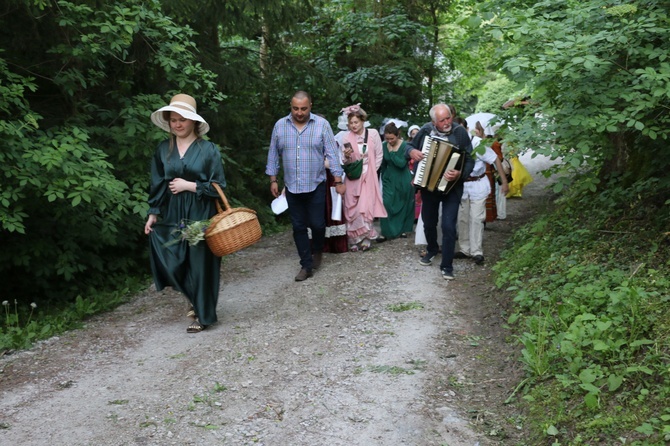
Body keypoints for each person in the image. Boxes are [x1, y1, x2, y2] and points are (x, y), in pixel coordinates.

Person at [144, 93, 226, 333]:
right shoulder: (163, 149)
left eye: (183, 119)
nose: (178, 124)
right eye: (173, 119)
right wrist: (153, 213)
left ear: (194, 122)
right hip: (173, 212)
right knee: (174, 257)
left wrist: (190, 186)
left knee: (200, 263)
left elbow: (218, 186)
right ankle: (193, 298)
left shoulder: (208, 150)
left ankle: (203, 314)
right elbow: (157, 183)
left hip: (200, 213)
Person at [266, 91, 345, 281]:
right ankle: (306, 265)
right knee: (298, 226)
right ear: (290, 106)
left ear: (310, 105)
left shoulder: (322, 125)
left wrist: (338, 180)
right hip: (292, 186)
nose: (299, 112)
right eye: (295, 108)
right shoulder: (280, 126)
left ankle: (317, 250)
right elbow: (273, 154)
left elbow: (333, 154)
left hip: (316, 184)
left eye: (303, 108)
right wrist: (273, 179)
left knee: (318, 225)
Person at [406, 103, 474, 280]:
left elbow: (470, 159)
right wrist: (412, 151)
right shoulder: (425, 130)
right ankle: (432, 249)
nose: (447, 122)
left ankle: (447, 265)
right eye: (442, 120)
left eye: (449, 117)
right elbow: (408, 147)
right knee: (429, 223)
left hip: (452, 187)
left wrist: (460, 173)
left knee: (448, 226)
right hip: (429, 185)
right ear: (434, 121)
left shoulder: (459, 132)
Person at [454, 119, 509, 265]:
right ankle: (464, 248)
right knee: (462, 218)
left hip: (478, 183)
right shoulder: (453, 143)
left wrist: (504, 181)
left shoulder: (477, 143)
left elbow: (495, 160)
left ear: (466, 129)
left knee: (476, 218)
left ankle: (477, 251)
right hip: (461, 186)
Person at [340, 103, 387, 251]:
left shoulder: (373, 134)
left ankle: (366, 238)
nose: (353, 125)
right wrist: (346, 157)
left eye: (356, 122)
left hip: (369, 175)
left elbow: (379, 154)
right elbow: (345, 162)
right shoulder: (346, 137)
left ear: (362, 121)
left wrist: (373, 170)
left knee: (365, 207)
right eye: (351, 123)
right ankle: (354, 239)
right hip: (354, 177)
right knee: (351, 208)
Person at [378, 122, 415, 241]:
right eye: (387, 138)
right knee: (386, 203)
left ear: (397, 135)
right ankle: (385, 231)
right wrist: (383, 177)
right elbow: (383, 164)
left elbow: (401, 163)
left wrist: (392, 153)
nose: (389, 141)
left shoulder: (405, 145)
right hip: (389, 178)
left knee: (403, 204)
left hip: (403, 178)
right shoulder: (384, 145)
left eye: (392, 138)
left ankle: (403, 229)